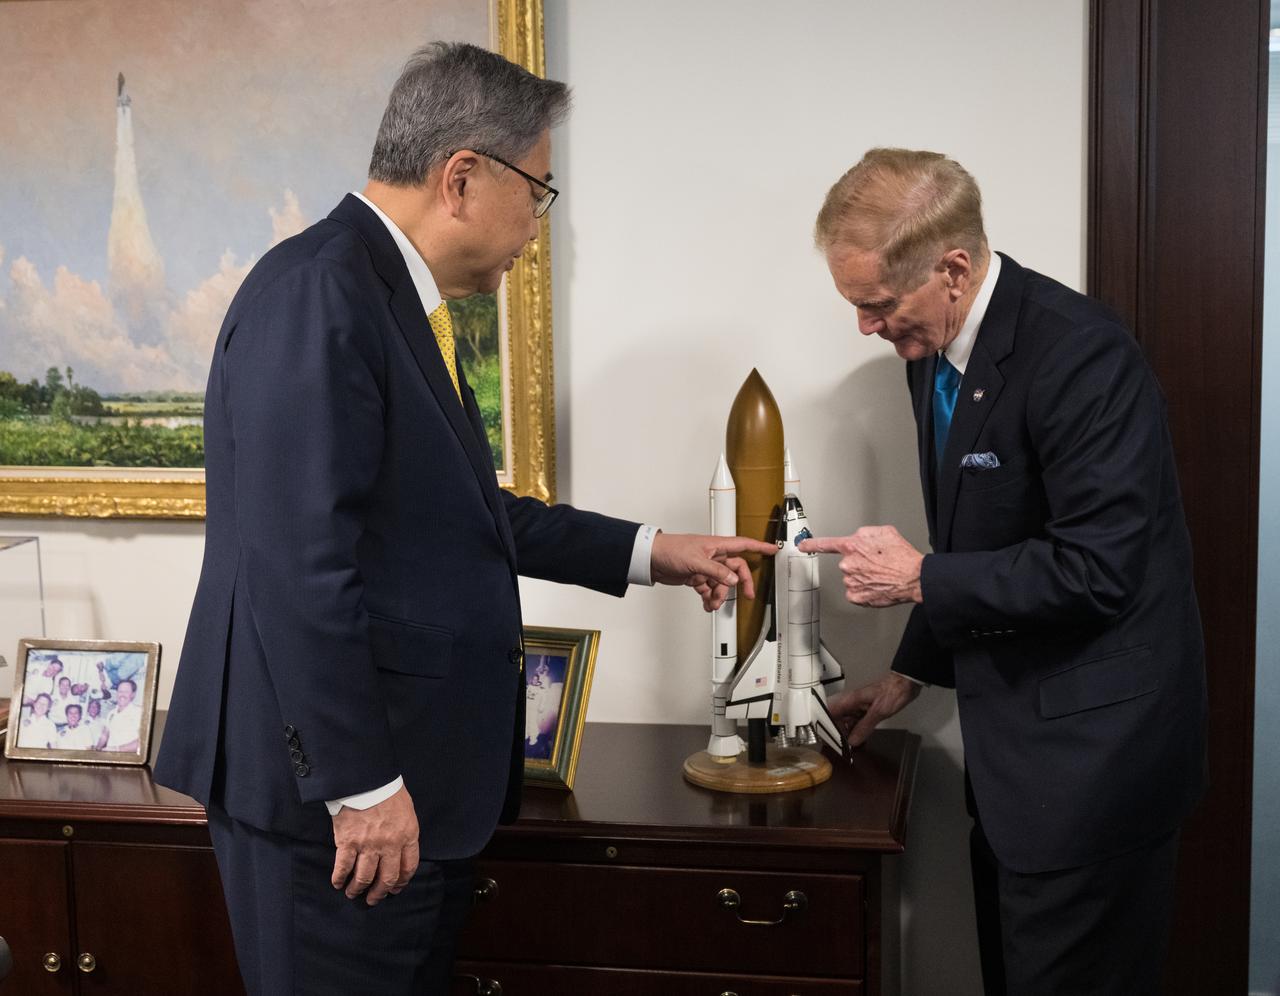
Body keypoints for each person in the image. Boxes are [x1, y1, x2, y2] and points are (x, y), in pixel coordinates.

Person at [154, 41, 773, 996]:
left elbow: (464, 517)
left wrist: (654, 551)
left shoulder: (382, 294)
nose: (539, 225)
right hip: (337, 810)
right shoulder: (322, 293)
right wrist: (361, 788)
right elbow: (297, 568)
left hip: (405, 796)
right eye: (540, 191)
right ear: (462, 177)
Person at [800, 148, 1207, 996]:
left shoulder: (1085, 359)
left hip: (1093, 774)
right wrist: (910, 669)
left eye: (877, 305)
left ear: (953, 269)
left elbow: (1096, 570)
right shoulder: (932, 353)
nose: (867, 330)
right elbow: (979, 537)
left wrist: (918, 579)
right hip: (1020, 775)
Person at [97, 678, 142, 753]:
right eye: (120, 691)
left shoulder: (139, 712)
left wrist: (117, 749)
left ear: (133, 694)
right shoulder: (111, 713)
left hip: (128, 759)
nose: (122, 694)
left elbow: (142, 742)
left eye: (126, 691)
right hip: (110, 758)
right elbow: (105, 735)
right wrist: (96, 749)